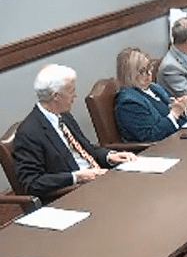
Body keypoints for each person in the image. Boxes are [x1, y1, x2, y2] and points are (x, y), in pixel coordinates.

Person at [14, 64, 137, 201]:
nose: (75, 95)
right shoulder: (28, 132)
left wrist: (110, 156)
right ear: (56, 96)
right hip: (72, 194)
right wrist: (76, 177)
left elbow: (86, 148)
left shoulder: (64, 116)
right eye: (71, 91)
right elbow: (32, 183)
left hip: (98, 180)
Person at [115, 48, 187, 142]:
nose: (149, 74)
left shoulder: (154, 88)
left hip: (177, 136)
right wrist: (174, 113)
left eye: (149, 68)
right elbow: (150, 136)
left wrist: (180, 106)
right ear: (129, 75)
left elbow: (169, 111)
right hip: (158, 147)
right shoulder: (129, 103)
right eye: (142, 71)